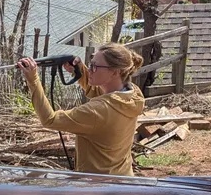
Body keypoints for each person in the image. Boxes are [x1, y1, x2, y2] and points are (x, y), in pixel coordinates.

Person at [17, 43, 146, 176]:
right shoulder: (132, 95)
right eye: (90, 64)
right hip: (123, 178)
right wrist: (80, 71)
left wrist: (33, 80)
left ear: (115, 72)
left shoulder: (97, 111)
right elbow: (103, 94)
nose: (90, 69)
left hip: (97, 186)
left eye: (95, 67)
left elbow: (50, 119)